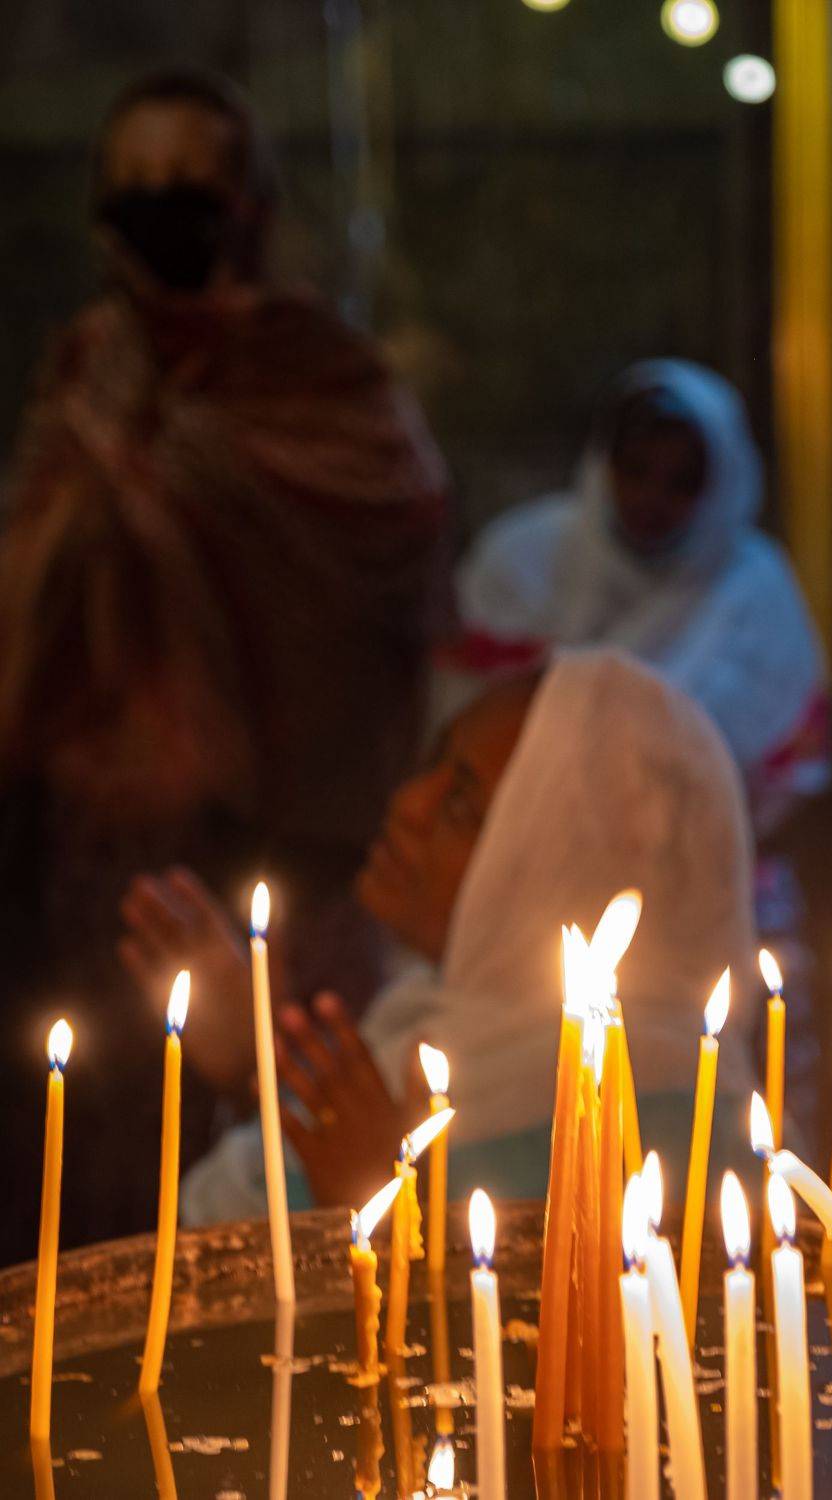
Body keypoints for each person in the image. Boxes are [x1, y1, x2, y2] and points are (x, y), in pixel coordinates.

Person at [0, 70, 448, 1262]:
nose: (160, 208)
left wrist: (177, 478)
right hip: (88, 849)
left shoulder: (318, 373)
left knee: (251, 1187)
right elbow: (31, 567)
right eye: (134, 185)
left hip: (278, 840)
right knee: (86, 1172)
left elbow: (394, 528)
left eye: (189, 184)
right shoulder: (87, 368)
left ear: (248, 204)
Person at [122, 650, 757, 1220]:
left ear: (562, 874)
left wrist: (388, 1207)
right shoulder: (430, 1021)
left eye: (462, 808)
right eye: (435, 761)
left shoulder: (655, 1117)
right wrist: (256, 1068)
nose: (409, 803)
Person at [457, 360, 831, 1144]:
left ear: (721, 484)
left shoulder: (752, 597)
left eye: (680, 482)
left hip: (712, 897)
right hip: (533, 897)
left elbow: (783, 774)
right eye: (634, 471)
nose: (651, 499)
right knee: (555, 1125)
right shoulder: (527, 564)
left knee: (723, 1131)